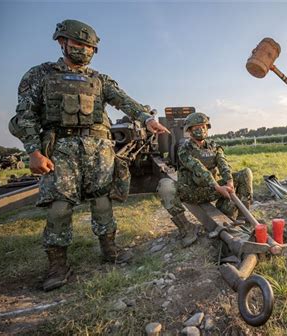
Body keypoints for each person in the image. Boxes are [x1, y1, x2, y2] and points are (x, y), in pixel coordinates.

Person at [9, 19, 169, 291]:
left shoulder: (100, 80)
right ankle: (58, 266)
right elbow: (25, 116)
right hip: (60, 151)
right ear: (62, 42)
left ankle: (110, 250)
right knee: (59, 207)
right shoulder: (40, 76)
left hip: (98, 151)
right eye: (77, 44)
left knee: (103, 203)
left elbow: (125, 101)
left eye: (88, 46)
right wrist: (33, 152)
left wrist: (146, 118)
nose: (83, 50)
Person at [158, 112, 253, 247]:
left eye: (203, 126)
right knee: (165, 185)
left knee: (245, 173)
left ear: (207, 128)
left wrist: (229, 181)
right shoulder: (184, 149)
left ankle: (244, 218)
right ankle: (186, 229)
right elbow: (198, 168)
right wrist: (217, 186)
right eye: (196, 127)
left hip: (210, 191)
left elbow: (223, 163)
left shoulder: (214, 146)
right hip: (191, 192)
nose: (200, 129)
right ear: (189, 131)